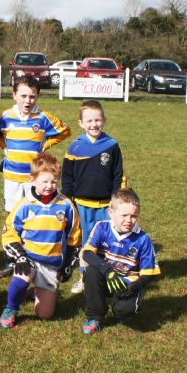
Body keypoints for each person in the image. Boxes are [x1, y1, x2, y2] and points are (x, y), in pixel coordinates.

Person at [0, 76, 71, 277]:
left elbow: (64, 131)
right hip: (12, 177)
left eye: (32, 97)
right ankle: (11, 258)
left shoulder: (43, 118)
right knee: (12, 217)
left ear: (37, 97)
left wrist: (45, 145)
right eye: (23, 96)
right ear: (14, 95)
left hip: (34, 179)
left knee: (33, 215)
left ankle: (32, 254)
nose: (28, 101)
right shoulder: (5, 116)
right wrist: (3, 146)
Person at [0, 153, 81, 329]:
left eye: (53, 181)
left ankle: (36, 291)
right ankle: (10, 308)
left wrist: (68, 263)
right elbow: (9, 232)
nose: (49, 186)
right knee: (23, 273)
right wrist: (20, 256)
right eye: (44, 181)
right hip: (28, 259)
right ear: (32, 180)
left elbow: (74, 236)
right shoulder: (24, 205)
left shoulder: (66, 205)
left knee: (44, 314)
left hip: (52, 264)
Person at [61, 100, 126, 294]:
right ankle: (84, 277)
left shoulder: (112, 145)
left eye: (97, 120)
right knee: (86, 243)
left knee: (106, 243)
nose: (94, 124)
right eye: (89, 120)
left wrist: (116, 200)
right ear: (81, 123)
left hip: (106, 206)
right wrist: (68, 200)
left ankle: (107, 277)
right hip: (82, 206)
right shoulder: (75, 147)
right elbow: (67, 177)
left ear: (104, 120)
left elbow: (118, 175)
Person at [80, 188, 160, 335]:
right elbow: (87, 253)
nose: (129, 220)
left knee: (124, 313)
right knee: (91, 271)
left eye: (133, 216)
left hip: (127, 283)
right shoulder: (102, 227)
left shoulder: (143, 239)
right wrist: (107, 269)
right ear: (111, 212)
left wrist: (135, 287)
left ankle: (123, 307)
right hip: (106, 276)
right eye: (124, 215)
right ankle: (94, 317)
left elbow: (149, 273)